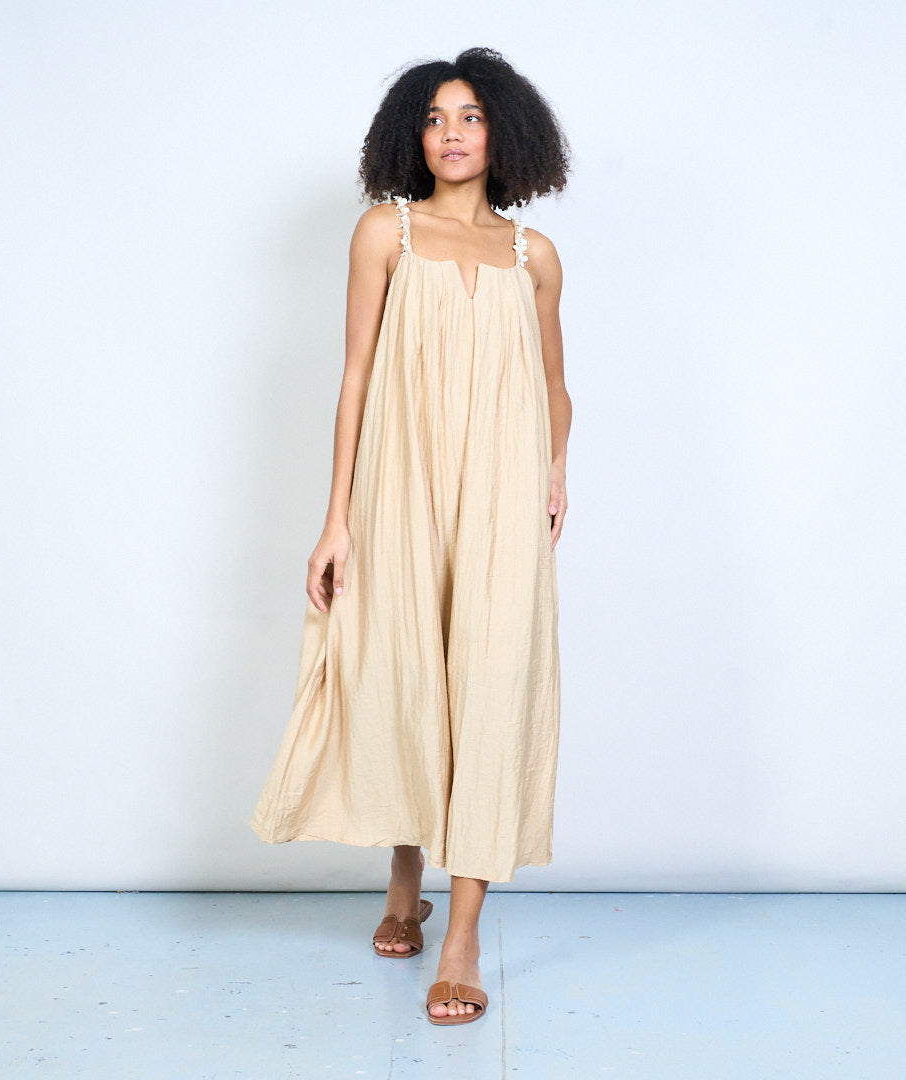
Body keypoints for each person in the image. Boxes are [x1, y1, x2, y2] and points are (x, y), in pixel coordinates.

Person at [249, 46, 571, 1027]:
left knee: (490, 690)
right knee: (404, 674)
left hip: (504, 498)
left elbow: (555, 386)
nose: (452, 134)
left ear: (504, 132)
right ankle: (403, 875)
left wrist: (556, 471)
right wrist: (335, 519)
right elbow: (353, 379)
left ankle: (462, 935)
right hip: (401, 488)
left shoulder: (534, 257)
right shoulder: (383, 233)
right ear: (411, 136)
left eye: (470, 116)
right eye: (434, 118)